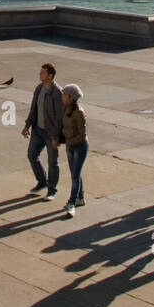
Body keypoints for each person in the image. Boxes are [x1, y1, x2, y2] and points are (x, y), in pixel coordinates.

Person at [21, 62, 63, 199]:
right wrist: (27, 125)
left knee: (53, 162)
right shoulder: (39, 88)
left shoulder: (57, 93)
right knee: (32, 155)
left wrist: (57, 137)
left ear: (51, 76)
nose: (40, 74)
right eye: (41, 72)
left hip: (51, 133)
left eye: (43, 73)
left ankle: (52, 190)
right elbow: (34, 109)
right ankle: (42, 181)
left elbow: (59, 118)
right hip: (38, 130)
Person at [58, 82, 87, 217]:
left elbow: (82, 136)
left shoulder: (78, 113)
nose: (62, 96)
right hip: (70, 146)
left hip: (79, 147)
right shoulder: (65, 109)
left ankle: (72, 202)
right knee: (75, 174)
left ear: (71, 97)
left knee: (75, 176)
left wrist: (68, 141)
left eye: (64, 94)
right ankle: (80, 198)